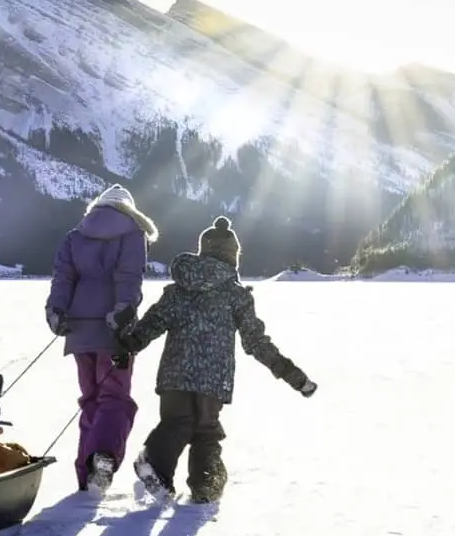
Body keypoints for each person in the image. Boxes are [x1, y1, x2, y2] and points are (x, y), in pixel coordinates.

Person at [113, 216, 317, 504]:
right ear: (233, 257)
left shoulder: (179, 289)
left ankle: (155, 464)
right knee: (206, 431)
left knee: (176, 422)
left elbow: (154, 321)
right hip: (213, 378)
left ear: (203, 251)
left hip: (174, 373)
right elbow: (256, 342)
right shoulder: (236, 296)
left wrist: (131, 344)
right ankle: (205, 484)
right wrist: (293, 375)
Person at [44, 183, 159, 495]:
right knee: (115, 398)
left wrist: (56, 310)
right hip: (114, 331)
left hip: (78, 329)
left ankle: (86, 478)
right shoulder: (132, 233)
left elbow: (63, 278)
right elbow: (129, 276)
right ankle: (102, 457)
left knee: (91, 399)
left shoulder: (75, 236)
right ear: (128, 209)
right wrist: (123, 311)